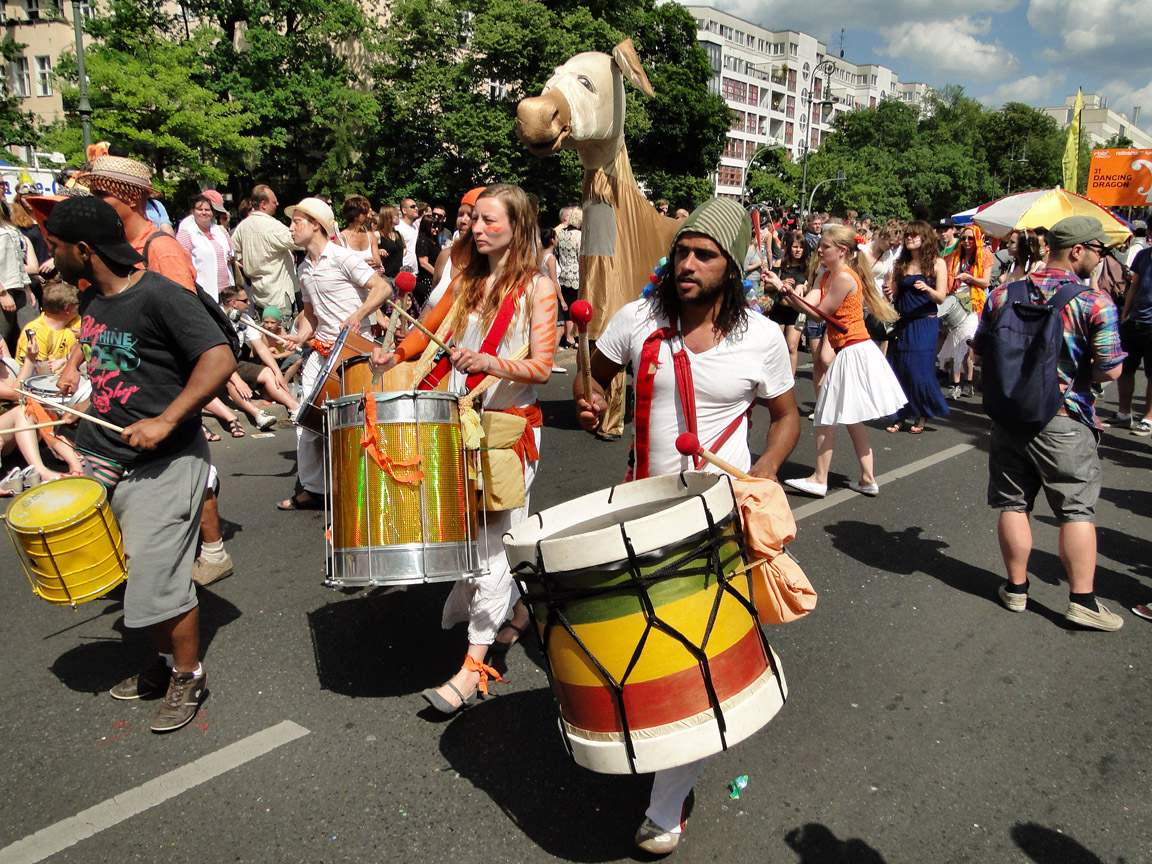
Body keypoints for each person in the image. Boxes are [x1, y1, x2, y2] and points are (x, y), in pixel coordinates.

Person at [573, 197, 800, 856]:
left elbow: (786, 416)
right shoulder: (638, 320)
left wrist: (763, 472)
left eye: (705, 255)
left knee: (696, 656)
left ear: (732, 267)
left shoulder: (758, 336)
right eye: (683, 251)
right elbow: (599, 382)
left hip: (719, 518)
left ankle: (667, 804)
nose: (688, 264)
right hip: (641, 510)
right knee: (641, 645)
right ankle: (649, 746)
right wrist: (592, 407)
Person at [48, 194, 236, 731]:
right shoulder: (92, 302)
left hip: (167, 460)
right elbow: (117, 372)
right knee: (132, 576)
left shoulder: (159, 295)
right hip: (108, 453)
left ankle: (188, 674)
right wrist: (78, 398)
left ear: (84, 250)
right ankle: (162, 663)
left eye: (57, 245)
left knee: (158, 576)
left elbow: (219, 357)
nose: (51, 253)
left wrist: (167, 419)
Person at [369, 183, 558, 715]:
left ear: (518, 227)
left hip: (506, 431)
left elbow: (542, 367)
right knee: (467, 534)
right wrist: (395, 355)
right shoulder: (468, 277)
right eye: (474, 219)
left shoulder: (539, 289)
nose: (476, 228)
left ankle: (473, 666)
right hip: (456, 423)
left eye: (489, 221)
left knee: (491, 545)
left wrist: (490, 362)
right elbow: (429, 330)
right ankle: (521, 602)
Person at [971, 215, 1126, 631]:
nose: (1100, 259)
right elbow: (1111, 370)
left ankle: (1016, 590)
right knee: (1075, 509)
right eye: (1098, 250)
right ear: (1077, 250)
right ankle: (1082, 600)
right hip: (1064, 418)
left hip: (1009, 417)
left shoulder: (1004, 294)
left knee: (1012, 502)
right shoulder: (1094, 302)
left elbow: (980, 352)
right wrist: (1078, 374)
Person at [277, 197, 393, 511]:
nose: (291, 227)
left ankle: (367, 486)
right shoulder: (303, 269)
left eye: (296, 221)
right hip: (321, 350)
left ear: (316, 225)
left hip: (354, 351)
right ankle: (315, 489)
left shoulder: (342, 258)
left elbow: (381, 288)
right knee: (306, 419)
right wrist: (297, 336)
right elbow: (312, 317)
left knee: (358, 421)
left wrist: (360, 314)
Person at [783, 224, 904, 498]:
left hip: (854, 351)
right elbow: (811, 303)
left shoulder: (845, 277)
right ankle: (867, 478)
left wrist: (789, 295)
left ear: (842, 250)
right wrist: (788, 292)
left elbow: (818, 314)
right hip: (850, 350)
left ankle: (819, 478)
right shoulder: (826, 275)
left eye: (825, 246)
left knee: (827, 414)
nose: (819, 250)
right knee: (851, 417)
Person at [884, 221, 950, 434]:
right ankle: (901, 415)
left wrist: (927, 289)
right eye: (908, 236)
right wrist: (889, 293)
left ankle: (922, 414)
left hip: (925, 322)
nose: (910, 239)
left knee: (919, 371)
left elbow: (941, 297)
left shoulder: (938, 263)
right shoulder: (901, 263)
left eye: (915, 236)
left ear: (925, 238)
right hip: (904, 322)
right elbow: (894, 292)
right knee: (900, 368)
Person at [218, 285, 297, 429]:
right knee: (233, 382)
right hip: (218, 365)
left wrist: (277, 373)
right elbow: (219, 357)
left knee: (268, 372)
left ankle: (295, 408)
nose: (249, 303)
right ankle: (257, 414)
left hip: (236, 362)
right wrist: (238, 380)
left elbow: (261, 348)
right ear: (234, 303)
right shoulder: (217, 319)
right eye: (245, 300)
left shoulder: (245, 318)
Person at [940, 225, 992, 399]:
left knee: (967, 343)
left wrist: (969, 278)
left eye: (970, 238)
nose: (967, 242)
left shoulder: (984, 256)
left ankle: (967, 382)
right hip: (955, 305)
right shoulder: (954, 257)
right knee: (956, 343)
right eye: (963, 239)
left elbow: (985, 282)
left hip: (973, 305)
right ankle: (956, 384)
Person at [231, 184, 300, 316]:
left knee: (263, 334)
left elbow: (232, 252)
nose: (278, 204)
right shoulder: (273, 226)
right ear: (263, 204)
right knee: (280, 335)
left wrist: (248, 264)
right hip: (278, 295)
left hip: (257, 293)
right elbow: (298, 241)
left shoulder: (242, 226)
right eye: (274, 202)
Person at [1110, 238, 1152, 434]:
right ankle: (1124, 414)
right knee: (1125, 369)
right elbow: (1134, 286)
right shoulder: (1143, 256)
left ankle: (1149, 418)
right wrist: (1125, 315)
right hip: (1134, 321)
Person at [176, 193, 235, 301]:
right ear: (193, 212)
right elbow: (181, 264)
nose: (204, 212)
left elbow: (232, 251)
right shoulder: (187, 233)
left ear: (213, 213)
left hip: (227, 291)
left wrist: (232, 257)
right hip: (203, 292)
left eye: (207, 210)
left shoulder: (220, 231)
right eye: (200, 209)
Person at [768, 229, 810, 375]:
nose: (798, 250)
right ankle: (775, 375)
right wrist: (780, 282)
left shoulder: (808, 266)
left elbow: (811, 286)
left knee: (792, 346)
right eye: (795, 246)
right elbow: (767, 284)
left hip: (796, 310)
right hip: (779, 308)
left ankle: (790, 379)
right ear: (789, 247)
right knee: (777, 346)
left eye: (801, 247)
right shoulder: (781, 263)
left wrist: (803, 287)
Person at [14, 281, 80, 369]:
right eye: (77, 303)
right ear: (67, 309)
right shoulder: (36, 333)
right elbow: (39, 371)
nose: (79, 306)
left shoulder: (75, 320)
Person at [0, 197, 37, 354]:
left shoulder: (9, 227)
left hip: (20, 288)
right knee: (4, 341)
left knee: (29, 335)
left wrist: (27, 288)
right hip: (4, 289)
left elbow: (17, 259)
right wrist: (2, 293)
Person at [555, 205, 581, 349]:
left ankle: (567, 336)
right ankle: (570, 338)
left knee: (566, 308)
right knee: (572, 308)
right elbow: (580, 257)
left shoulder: (561, 234)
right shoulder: (579, 235)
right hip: (575, 276)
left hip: (563, 275)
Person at [336, 194, 382, 271]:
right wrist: (359, 264)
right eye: (364, 213)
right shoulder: (341, 238)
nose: (368, 216)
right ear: (355, 215)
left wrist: (375, 262)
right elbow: (336, 265)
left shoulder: (370, 236)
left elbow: (378, 261)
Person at [396, 198, 419, 274]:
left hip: (414, 270)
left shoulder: (415, 227)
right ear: (404, 210)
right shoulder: (398, 227)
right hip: (402, 268)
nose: (416, 208)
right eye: (412, 207)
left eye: (416, 206)